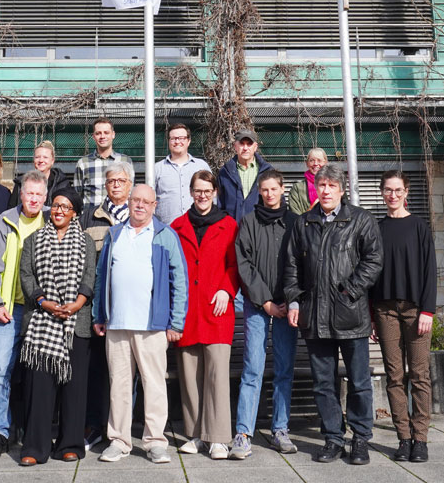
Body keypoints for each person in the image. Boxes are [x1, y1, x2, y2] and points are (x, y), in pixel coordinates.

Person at [281, 164, 382, 466]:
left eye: (331, 186)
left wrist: (350, 290)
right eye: (321, 185)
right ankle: (333, 438)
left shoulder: (360, 220)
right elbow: (291, 267)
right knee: (323, 384)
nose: (325, 191)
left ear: (341, 190)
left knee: (359, 381)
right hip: (315, 317)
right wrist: (295, 301)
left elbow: (374, 260)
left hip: (351, 316)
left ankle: (360, 439)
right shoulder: (303, 223)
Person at [92, 184, 187, 464]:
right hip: (117, 324)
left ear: (155, 205)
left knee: (154, 384)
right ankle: (119, 440)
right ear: (129, 202)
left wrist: (176, 322)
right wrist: (100, 314)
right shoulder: (115, 234)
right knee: (118, 385)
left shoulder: (165, 235)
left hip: (152, 325)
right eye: (136, 200)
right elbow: (101, 278)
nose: (140, 205)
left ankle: (155, 441)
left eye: (146, 201)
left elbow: (178, 281)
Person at [17, 188, 96, 466]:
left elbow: (89, 276)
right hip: (42, 323)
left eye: (66, 207)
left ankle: (70, 444)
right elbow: (26, 275)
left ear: (74, 213)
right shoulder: (34, 239)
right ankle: (35, 447)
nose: (60, 211)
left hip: (76, 323)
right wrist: (43, 302)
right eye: (56, 206)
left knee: (74, 389)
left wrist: (76, 304)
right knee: (39, 389)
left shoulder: (85, 241)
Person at [231, 170, 299, 459]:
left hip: (287, 305)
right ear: (259, 191)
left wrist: (288, 300)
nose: (269, 194)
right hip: (258, 306)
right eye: (264, 190)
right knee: (253, 368)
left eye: (274, 189)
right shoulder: (248, 222)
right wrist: (266, 302)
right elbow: (244, 264)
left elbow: (300, 263)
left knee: (284, 369)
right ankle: (243, 433)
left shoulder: (296, 223)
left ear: (283, 189)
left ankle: (280, 429)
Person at [171, 170, 238, 459]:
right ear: (191, 192)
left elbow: (236, 266)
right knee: (189, 376)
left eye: (207, 191)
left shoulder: (229, 225)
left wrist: (226, 290)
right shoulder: (177, 226)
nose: (202, 195)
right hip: (187, 313)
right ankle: (195, 435)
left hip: (217, 310)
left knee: (217, 376)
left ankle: (219, 438)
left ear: (215, 193)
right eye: (197, 190)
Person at [0, 171, 48, 459]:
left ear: (44, 197)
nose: (33, 199)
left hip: (41, 311)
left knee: (38, 374)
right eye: (29, 193)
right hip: (9, 309)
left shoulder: (50, 218)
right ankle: (0, 431)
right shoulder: (5, 220)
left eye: (38, 194)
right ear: (21, 194)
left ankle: (35, 430)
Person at [371, 171, 436, 464]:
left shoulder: (419, 226)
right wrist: (372, 316)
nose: (392, 195)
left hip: (415, 311)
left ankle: (420, 439)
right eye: (388, 190)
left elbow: (430, 271)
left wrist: (427, 310)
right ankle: (403, 438)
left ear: (406, 192)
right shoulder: (377, 228)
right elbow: (370, 275)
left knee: (420, 376)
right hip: (385, 310)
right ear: (382, 193)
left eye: (398, 190)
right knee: (394, 377)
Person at [78, 160, 134, 447]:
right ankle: (95, 425)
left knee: (126, 372)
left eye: (121, 181)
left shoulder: (140, 216)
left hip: (130, 308)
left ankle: (122, 428)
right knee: (96, 369)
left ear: (130, 185)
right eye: (111, 181)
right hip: (97, 308)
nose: (115, 185)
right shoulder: (90, 218)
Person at [153, 123, 211, 222]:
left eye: (181, 138)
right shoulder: (157, 168)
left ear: (188, 141)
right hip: (167, 229)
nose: (177, 141)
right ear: (168, 141)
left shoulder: (202, 166)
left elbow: (211, 197)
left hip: (197, 227)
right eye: (173, 138)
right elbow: (149, 200)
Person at [75, 118, 135, 210]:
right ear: (93, 136)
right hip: (91, 219)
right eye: (98, 133)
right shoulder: (83, 163)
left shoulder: (125, 161)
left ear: (113, 135)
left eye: (106, 133)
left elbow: (130, 192)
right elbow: (77, 196)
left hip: (119, 218)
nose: (102, 136)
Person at [216, 129, 274, 221]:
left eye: (249, 144)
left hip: (259, 229)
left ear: (255, 147)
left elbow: (276, 203)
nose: (245, 148)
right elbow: (219, 205)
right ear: (235, 146)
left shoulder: (268, 172)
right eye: (242, 143)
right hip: (232, 230)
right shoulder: (225, 172)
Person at [9, 140, 70, 208]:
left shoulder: (62, 184)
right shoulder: (21, 183)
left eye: (45, 157)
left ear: (52, 161)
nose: (41, 160)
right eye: (37, 157)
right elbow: (12, 209)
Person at [287, 148, 328, 214]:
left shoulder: (334, 185)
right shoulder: (297, 188)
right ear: (307, 163)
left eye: (319, 160)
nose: (315, 164)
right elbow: (295, 214)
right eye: (312, 160)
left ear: (325, 163)